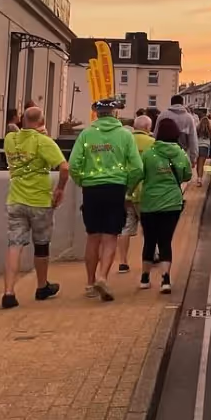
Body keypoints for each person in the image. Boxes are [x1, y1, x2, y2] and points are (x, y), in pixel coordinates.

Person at [69, 99, 143, 301]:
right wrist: (127, 186)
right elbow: (138, 168)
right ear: (115, 113)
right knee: (111, 236)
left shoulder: (86, 134)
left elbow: (73, 164)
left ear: (96, 114)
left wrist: (82, 181)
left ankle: (90, 283)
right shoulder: (125, 136)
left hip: (91, 189)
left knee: (93, 236)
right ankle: (103, 277)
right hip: (115, 188)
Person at [1, 106, 69, 309]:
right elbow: (64, 167)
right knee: (41, 244)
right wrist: (60, 190)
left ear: (22, 119)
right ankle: (41, 287)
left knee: (14, 244)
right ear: (42, 122)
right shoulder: (44, 142)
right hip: (39, 200)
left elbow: (22, 138)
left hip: (16, 199)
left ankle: (9, 292)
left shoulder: (9, 139)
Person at [132, 117, 191, 293]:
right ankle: (165, 280)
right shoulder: (180, 154)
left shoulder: (149, 154)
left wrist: (128, 191)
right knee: (166, 241)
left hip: (149, 202)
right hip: (172, 203)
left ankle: (144, 278)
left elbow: (138, 174)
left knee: (149, 241)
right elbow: (187, 175)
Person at [118, 115, 156, 274]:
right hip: (145, 191)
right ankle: (151, 256)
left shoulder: (124, 141)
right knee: (149, 228)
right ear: (148, 128)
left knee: (126, 228)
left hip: (126, 190)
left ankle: (123, 262)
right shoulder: (153, 144)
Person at [153, 94, 198, 165]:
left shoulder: (162, 115)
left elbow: (155, 134)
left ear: (171, 103)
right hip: (182, 154)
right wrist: (193, 157)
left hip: (163, 154)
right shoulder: (188, 118)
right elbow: (193, 139)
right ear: (182, 103)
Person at [195, 112, 211, 187]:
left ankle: (198, 178)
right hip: (205, 148)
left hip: (197, 147)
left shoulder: (197, 128)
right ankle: (199, 179)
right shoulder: (209, 129)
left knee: (198, 164)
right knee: (201, 165)